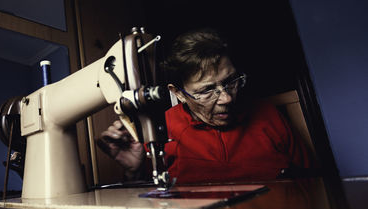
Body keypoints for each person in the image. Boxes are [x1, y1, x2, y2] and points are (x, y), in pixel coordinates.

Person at [98, 28, 310, 184]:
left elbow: (310, 183)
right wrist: (135, 172)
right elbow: (145, 199)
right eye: (206, 91)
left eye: (231, 81)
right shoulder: (162, 130)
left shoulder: (267, 115)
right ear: (178, 93)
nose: (226, 98)